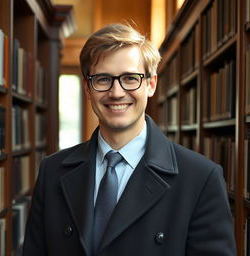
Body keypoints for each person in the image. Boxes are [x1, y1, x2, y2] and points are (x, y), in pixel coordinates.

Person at [23, 23, 236, 256]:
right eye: (103, 79)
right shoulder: (51, 172)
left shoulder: (201, 179)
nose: (116, 92)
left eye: (130, 78)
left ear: (151, 84)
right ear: (87, 88)